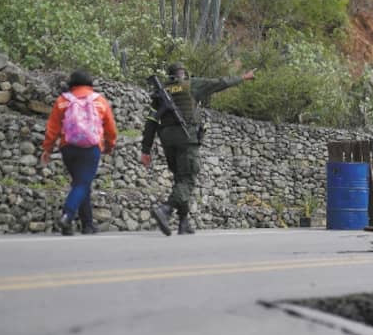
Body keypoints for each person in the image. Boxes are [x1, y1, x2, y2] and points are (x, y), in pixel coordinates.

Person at [140, 62, 255, 235]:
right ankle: (166, 209)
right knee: (187, 179)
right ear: (184, 73)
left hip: (167, 139)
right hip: (187, 137)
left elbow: (151, 121)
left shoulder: (161, 91)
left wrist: (146, 149)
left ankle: (183, 222)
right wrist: (243, 77)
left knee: (180, 178)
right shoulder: (192, 84)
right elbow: (220, 83)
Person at [41, 70, 117, 235]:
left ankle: (87, 225)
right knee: (82, 184)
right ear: (90, 83)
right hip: (91, 148)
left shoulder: (62, 100)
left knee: (81, 183)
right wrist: (110, 145)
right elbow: (110, 128)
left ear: (72, 84)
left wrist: (47, 148)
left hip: (68, 147)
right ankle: (67, 215)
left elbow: (52, 128)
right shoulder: (100, 101)